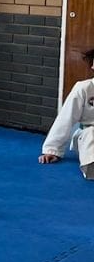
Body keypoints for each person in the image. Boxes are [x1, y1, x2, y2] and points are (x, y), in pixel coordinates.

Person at [37, 47, 94, 179]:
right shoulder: (84, 88)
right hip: (88, 134)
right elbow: (65, 118)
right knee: (91, 135)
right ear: (93, 65)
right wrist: (52, 149)